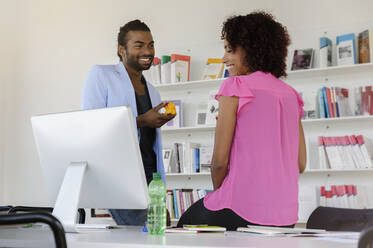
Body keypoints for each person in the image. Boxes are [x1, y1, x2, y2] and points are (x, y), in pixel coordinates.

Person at [177, 11, 307, 231]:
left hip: (240, 209)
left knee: (182, 227)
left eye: (230, 50)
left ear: (251, 49)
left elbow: (219, 162)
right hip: (286, 217)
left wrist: (220, 195)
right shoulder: (291, 95)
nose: (224, 58)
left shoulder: (235, 86)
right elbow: (300, 164)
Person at [81, 20, 175, 225]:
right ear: (121, 50)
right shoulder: (101, 75)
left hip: (151, 179)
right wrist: (141, 121)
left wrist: (156, 121)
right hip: (120, 178)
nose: (148, 51)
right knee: (143, 234)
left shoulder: (152, 90)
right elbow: (90, 126)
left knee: (161, 231)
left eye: (151, 44)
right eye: (139, 45)